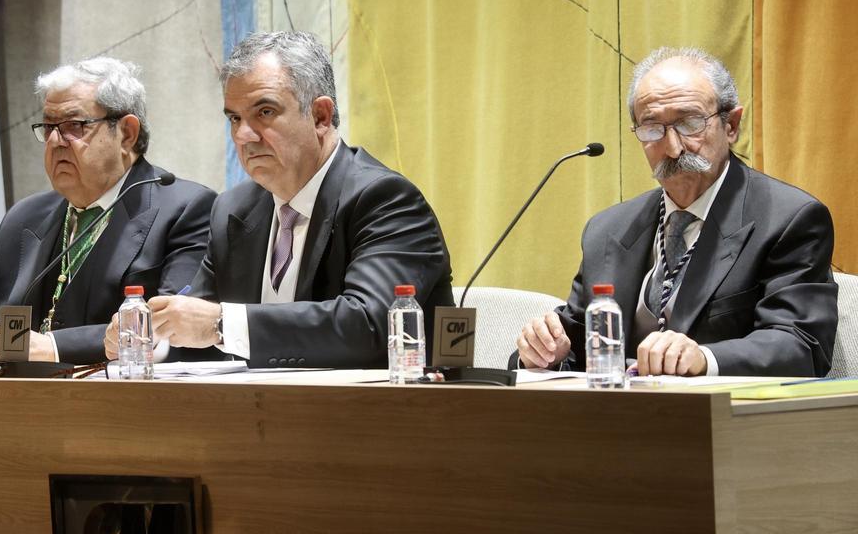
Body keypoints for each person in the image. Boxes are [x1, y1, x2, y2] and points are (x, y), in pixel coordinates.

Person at [106, 31, 454, 369]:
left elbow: (369, 324)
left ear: (319, 116)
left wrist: (221, 324)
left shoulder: (385, 200)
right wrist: (153, 338)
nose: (243, 135)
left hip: (382, 419)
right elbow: (201, 328)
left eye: (265, 112)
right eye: (235, 118)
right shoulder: (234, 209)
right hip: (263, 416)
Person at [514, 46, 837, 377]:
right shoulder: (608, 229)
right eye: (652, 128)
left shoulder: (788, 219)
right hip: (615, 420)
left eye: (690, 123)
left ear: (731, 125)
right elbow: (578, 348)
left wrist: (704, 358)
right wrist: (540, 351)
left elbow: (802, 345)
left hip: (721, 419)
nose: (672, 147)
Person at [0, 57, 215, 365]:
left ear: (127, 133)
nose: (54, 141)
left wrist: (54, 347)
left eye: (73, 127)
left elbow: (167, 326)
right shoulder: (26, 218)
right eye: (48, 127)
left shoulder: (185, 210)